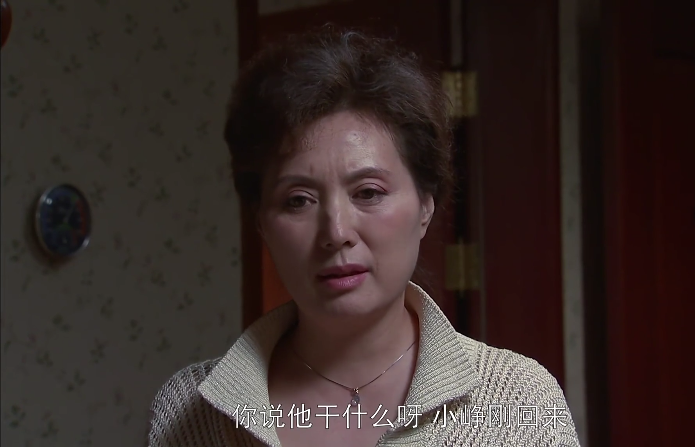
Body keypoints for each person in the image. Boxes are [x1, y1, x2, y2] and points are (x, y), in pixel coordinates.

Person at [147, 26, 581, 447]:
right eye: (298, 200)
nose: (336, 233)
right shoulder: (189, 411)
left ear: (426, 204)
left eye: (368, 192)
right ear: (261, 220)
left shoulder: (518, 401)